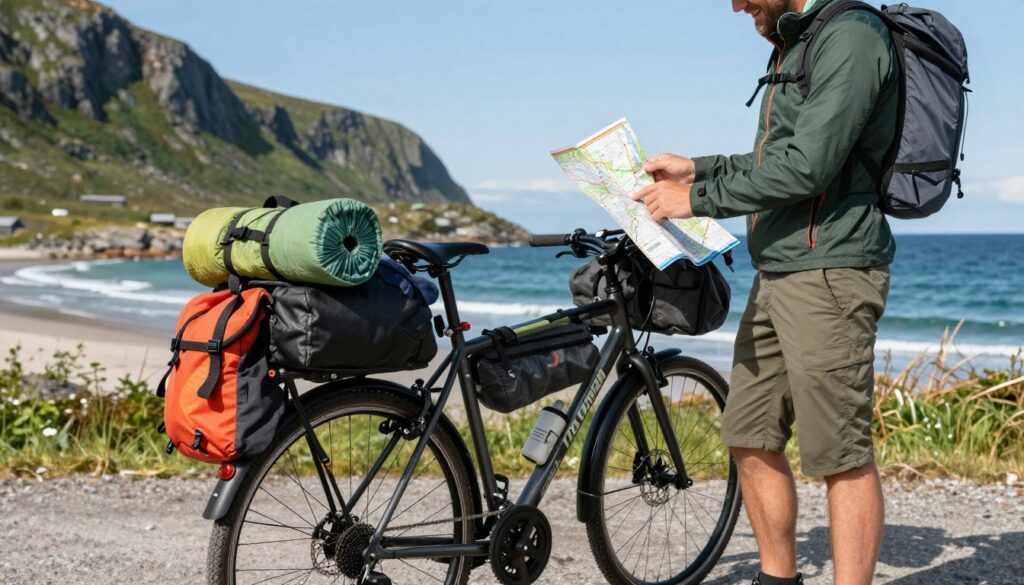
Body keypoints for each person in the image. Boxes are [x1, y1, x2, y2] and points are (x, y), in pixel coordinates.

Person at [630, 1, 898, 584]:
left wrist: (694, 202)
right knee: (749, 434)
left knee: (840, 454)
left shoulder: (851, 36)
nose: (736, 4)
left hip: (830, 271)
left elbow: (809, 167)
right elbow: (772, 159)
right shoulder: (796, 41)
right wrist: (696, 170)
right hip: (778, 271)